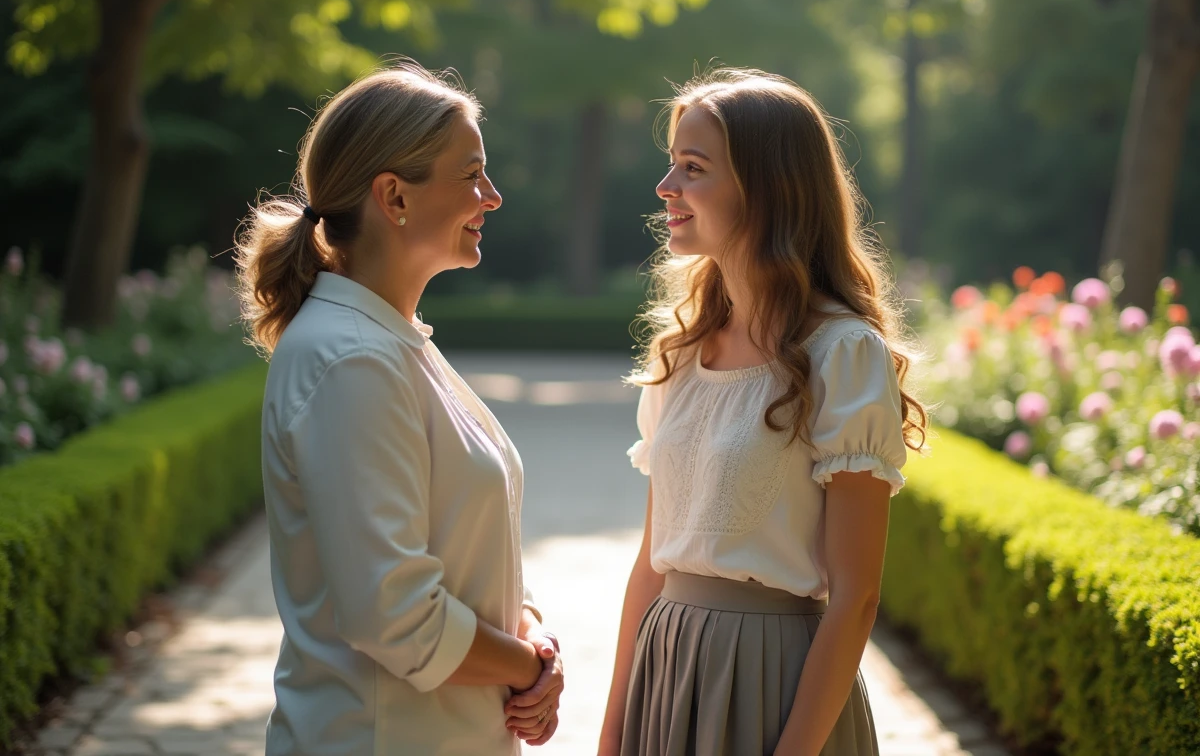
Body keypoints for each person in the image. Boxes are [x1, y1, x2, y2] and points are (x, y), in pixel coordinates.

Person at [235, 61, 563, 756]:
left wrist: (531, 634)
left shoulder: (391, 342)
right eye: (472, 174)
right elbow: (396, 614)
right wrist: (528, 669)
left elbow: (460, 549)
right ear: (394, 196)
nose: (493, 196)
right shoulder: (353, 360)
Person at [599, 68, 928, 756]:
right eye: (671, 165)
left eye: (693, 168)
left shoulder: (842, 353)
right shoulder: (681, 353)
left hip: (777, 685)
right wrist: (613, 734)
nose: (666, 187)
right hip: (666, 670)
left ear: (766, 187)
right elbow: (650, 565)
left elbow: (856, 597)